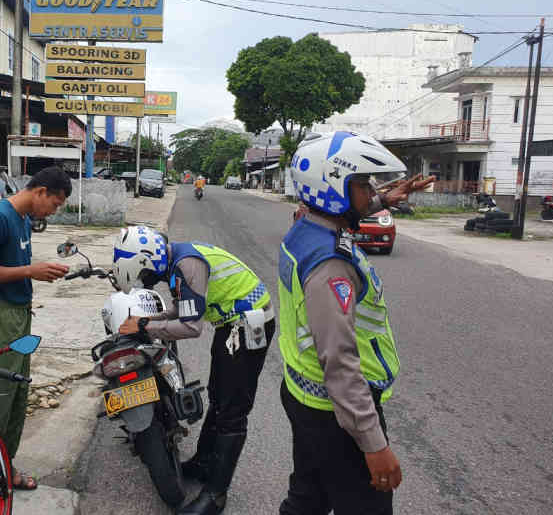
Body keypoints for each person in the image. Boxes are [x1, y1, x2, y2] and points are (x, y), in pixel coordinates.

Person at [277, 131, 434, 515]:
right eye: (362, 185)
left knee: (308, 499)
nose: (370, 192)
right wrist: (373, 443)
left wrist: (385, 198)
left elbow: (345, 210)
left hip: (303, 393)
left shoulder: (306, 226)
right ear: (332, 188)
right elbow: (341, 361)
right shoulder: (331, 264)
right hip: (337, 413)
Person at [113, 226, 275, 515]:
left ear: (152, 260)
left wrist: (145, 326)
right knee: (218, 395)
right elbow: (185, 307)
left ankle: (215, 496)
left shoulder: (187, 265)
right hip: (229, 324)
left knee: (232, 411)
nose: (148, 282)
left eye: (146, 276)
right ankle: (203, 463)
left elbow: (191, 326)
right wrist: (150, 319)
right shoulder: (177, 261)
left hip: (249, 324)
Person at [0, 166, 72, 490]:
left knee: (16, 395)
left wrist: (36, 272)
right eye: (54, 204)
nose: (53, 212)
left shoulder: (24, 219)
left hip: (19, 317)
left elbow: (14, 266)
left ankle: (4, 466)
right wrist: (31, 270)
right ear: (40, 191)